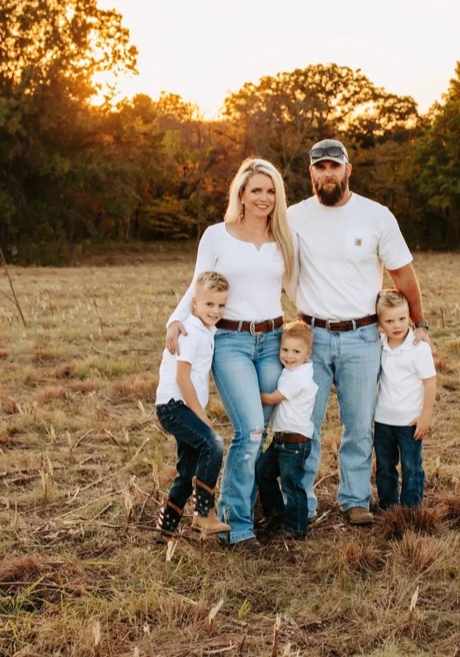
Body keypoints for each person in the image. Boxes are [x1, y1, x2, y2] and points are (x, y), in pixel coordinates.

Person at [288, 139, 430, 526]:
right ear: (311, 172)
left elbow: (402, 274)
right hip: (312, 336)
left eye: (335, 165)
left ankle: (354, 500)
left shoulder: (376, 216)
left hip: (363, 336)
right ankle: (302, 504)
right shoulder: (293, 217)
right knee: (305, 423)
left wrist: (419, 323)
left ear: (348, 169)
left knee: (359, 425)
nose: (328, 173)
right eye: (320, 167)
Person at [165, 157, 298, 550]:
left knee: (269, 425)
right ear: (240, 193)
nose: (264, 197)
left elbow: (300, 291)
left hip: (274, 339)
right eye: (256, 189)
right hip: (232, 343)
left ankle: (252, 500)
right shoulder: (216, 236)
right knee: (251, 429)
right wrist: (175, 320)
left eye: (271, 190)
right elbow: (198, 286)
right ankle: (237, 525)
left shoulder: (284, 239)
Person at [154, 271, 232, 539]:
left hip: (181, 406)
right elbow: (182, 377)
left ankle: (166, 527)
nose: (216, 310)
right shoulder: (190, 331)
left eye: (221, 305)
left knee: (187, 470)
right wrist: (202, 416)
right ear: (194, 303)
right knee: (213, 444)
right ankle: (204, 514)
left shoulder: (206, 329)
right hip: (173, 406)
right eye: (209, 304)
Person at [373, 288, 438, 510]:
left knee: (411, 466)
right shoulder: (379, 345)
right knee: (385, 466)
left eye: (402, 318)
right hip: (383, 419)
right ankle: (388, 507)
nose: (397, 325)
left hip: (410, 421)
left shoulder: (418, 348)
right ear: (380, 323)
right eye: (389, 321)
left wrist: (425, 416)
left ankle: (411, 509)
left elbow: (430, 383)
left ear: (409, 315)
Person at [256, 321, 319, 539]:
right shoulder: (291, 370)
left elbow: (273, 398)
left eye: (296, 351)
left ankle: (296, 528)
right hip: (280, 439)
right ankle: (276, 514)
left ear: (308, 353)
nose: (289, 356)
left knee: (292, 484)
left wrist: (249, 393)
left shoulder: (300, 376)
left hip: (295, 442)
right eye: (285, 350)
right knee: (263, 472)